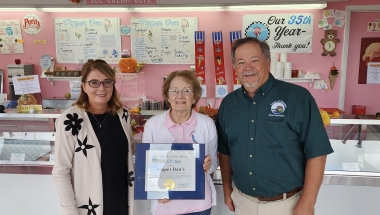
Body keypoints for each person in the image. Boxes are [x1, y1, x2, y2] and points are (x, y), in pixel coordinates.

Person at [216, 37, 334, 215]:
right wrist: (226, 188)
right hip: (243, 202)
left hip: (287, 205)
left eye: (254, 60)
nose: (248, 67)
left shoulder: (298, 98)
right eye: (241, 62)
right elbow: (224, 151)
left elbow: (317, 151)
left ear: (268, 61)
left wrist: (308, 202)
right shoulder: (228, 104)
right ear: (235, 67)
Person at [52, 59, 135, 215]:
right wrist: (70, 210)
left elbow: (125, 152)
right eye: (94, 82)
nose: (101, 88)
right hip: (89, 208)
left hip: (121, 203)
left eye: (107, 82)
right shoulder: (70, 120)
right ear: (84, 86)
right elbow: (60, 171)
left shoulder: (122, 114)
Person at [142, 70, 218, 215]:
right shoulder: (153, 125)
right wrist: (156, 192)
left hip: (199, 206)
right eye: (174, 90)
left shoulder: (207, 124)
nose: (180, 96)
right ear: (167, 96)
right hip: (165, 207)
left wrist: (209, 165)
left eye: (186, 90)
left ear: (195, 96)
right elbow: (147, 167)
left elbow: (214, 162)